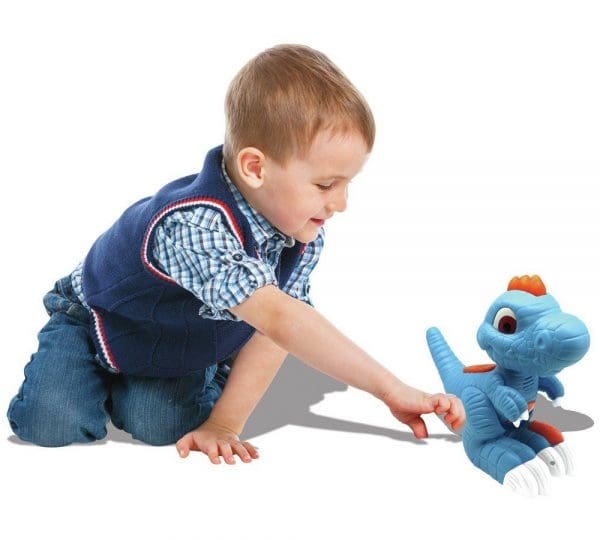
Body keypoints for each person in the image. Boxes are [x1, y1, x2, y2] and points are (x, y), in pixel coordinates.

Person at [7, 44, 464, 464]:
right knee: (51, 422)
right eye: (326, 185)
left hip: (174, 338)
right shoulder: (195, 224)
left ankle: (157, 381)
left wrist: (224, 424)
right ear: (255, 167)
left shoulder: (300, 232)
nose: (341, 203)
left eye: (348, 184)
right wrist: (389, 389)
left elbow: (275, 331)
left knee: (162, 426)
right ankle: (92, 373)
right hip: (96, 320)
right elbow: (282, 320)